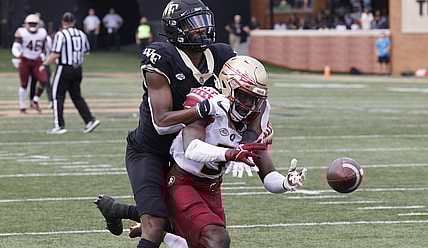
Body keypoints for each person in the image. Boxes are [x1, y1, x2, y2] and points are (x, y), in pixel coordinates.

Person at [94, 56, 307, 248]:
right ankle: (156, 228)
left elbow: (267, 172)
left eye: (256, 100)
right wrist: (230, 154)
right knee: (216, 238)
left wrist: (285, 183)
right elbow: (193, 148)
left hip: (212, 189)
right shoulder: (209, 104)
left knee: (206, 242)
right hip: (183, 182)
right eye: (245, 97)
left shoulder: (255, 118)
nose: (250, 106)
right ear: (228, 88)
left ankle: (126, 214)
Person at [95, 0, 236, 248]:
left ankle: (116, 210)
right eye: (194, 23)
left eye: (204, 21)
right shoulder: (161, 56)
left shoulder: (221, 54)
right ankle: (123, 212)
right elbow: (161, 122)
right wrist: (204, 108)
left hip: (186, 157)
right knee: (155, 226)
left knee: (194, 227)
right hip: (151, 151)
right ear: (177, 29)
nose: (203, 28)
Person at [39, 12, 100, 134]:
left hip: (64, 68)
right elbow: (86, 52)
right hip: (77, 69)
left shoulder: (61, 35)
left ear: (62, 22)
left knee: (57, 96)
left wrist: (45, 64)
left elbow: (56, 53)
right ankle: (90, 120)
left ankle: (59, 125)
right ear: (74, 22)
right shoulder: (81, 34)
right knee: (76, 96)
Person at [11, 13, 48, 114]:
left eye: (34, 24)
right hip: (25, 60)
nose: (32, 26)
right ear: (26, 24)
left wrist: (42, 56)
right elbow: (15, 47)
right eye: (30, 24)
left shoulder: (42, 32)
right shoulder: (22, 32)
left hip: (36, 61)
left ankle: (35, 100)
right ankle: (22, 107)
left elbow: (45, 47)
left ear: (38, 24)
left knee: (44, 80)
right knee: (24, 84)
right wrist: (19, 55)